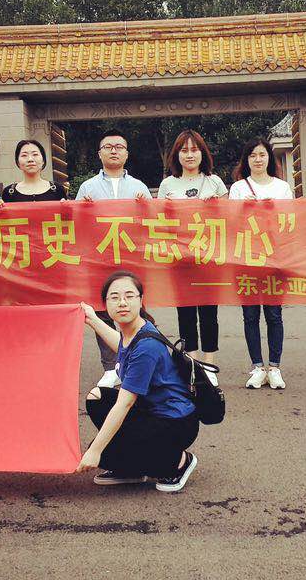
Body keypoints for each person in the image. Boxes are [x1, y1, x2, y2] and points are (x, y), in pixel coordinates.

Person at [79, 272, 198, 493]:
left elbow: (125, 403)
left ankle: (179, 461)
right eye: (114, 297)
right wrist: (92, 319)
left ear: (141, 300)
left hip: (175, 421)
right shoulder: (134, 331)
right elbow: (122, 346)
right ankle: (131, 469)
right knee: (97, 398)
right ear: (106, 303)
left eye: (129, 296)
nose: (122, 303)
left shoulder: (146, 346)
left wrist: (95, 451)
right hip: (152, 410)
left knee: (106, 454)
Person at [76, 130, 154, 387]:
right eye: (108, 146)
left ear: (126, 154)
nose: (113, 150)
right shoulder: (87, 187)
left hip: (132, 258)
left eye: (119, 147)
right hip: (100, 259)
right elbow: (76, 225)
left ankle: (139, 358)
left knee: (136, 307)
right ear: (100, 154)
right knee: (104, 310)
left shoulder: (139, 187)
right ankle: (111, 367)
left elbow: (153, 222)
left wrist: (145, 207)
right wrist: (83, 209)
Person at [157, 130, 227, 384]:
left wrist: (217, 205)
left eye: (194, 150)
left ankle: (209, 365)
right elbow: (159, 222)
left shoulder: (215, 182)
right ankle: (191, 363)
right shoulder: (168, 185)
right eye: (184, 150)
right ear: (176, 155)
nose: (189, 155)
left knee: (209, 313)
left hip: (209, 257)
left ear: (202, 153)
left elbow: (230, 219)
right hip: (180, 259)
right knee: (185, 312)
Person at [229, 137, 293, 389]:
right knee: (250, 315)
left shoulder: (282, 187)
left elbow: (290, 221)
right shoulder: (238, 188)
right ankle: (257, 366)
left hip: (275, 258)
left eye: (262, 154)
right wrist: (244, 209)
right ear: (246, 160)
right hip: (246, 257)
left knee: (274, 314)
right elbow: (230, 222)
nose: (258, 159)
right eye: (253, 155)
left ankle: (274, 367)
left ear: (269, 158)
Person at [1, 139, 68, 202]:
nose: (30, 159)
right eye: (24, 155)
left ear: (43, 161)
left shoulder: (58, 190)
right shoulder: (9, 193)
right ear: (18, 162)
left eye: (35, 154)